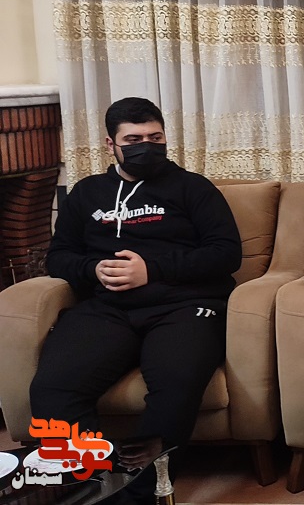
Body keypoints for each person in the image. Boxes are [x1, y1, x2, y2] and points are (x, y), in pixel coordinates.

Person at [30, 97, 242, 496]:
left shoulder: (193, 188)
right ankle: (91, 486)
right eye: (134, 139)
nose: (147, 146)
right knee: (53, 388)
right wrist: (93, 268)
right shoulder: (87, 193)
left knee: (176, 383)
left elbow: (226, 253)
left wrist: (153, 269)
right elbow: (59, 257)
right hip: (107, 309)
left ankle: (142, 494)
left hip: (184, 306)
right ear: (110, 144)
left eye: (155, 138)